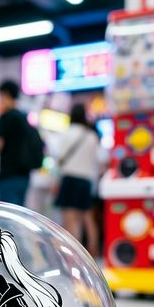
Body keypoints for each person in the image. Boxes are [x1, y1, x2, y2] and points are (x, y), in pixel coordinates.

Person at [54, 103, 101, 257]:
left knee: (70, 219)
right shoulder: (92, 136)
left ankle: (74, 256)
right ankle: (93, 250)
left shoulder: (66, 133)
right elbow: (97, 160)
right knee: (88, 218)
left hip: (70, 179)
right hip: (86, 181)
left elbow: (59, 158)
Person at [0, 81, 34, 206]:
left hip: (10, 174)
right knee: (17, 212)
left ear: (5, 94)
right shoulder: (23, 117)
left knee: (5, 212)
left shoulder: (6, 116)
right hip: (24, 175)